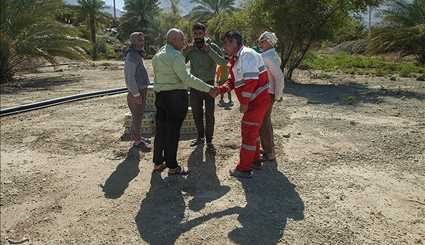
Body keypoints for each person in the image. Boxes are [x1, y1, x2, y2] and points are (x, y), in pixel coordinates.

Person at [152, 28, 217, 175]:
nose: (185, 42)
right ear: (174, 40)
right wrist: (208, 88)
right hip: (175, 97)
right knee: (173, 132)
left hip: (160, 97)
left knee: (161, 130)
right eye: (182, 39)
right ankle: (173, 166)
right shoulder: (176, 56)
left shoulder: (158, 54)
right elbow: (187, 79)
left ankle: (158, 162)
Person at [213, 31, 272, 178]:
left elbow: (251, 81)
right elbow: (233, 81)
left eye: (226, 43)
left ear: (234, 42)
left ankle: (244, 168)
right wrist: (221, 89)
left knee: (248, 132)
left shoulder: (247, 55)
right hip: (255, 101)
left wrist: (244, 102)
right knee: (252, 131)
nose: (224, 47)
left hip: (257, 101)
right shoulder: (236, 59)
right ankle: (255, 160)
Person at [183, 23, 227, 151]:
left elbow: (223, 62)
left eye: (200, 33)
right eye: (195, 34)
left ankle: (209, 141)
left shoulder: (212, 46)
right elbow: (180, 62)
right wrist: (185, 51)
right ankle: (200, 137)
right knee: (196, 113)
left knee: (209, 114)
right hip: (195, 86)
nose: (197, 36)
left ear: (205, 33)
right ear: (193, 34)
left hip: (209, 86)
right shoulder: (190, 48)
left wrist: (210, 51)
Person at [257, 31, 285, 163]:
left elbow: (279, 77)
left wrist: (278, 95)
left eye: (262, 41)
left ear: (269, 41)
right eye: (260, 41)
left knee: (264, 123)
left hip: (268, 92)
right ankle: (268, 149)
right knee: (264, 121)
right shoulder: (269, 55)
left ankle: (270, 152)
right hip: (268, 92)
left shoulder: (268, 57)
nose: (260, 44)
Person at [124, 32, 151, 151]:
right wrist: (136, 94)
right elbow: (129, 77)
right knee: (136, 116)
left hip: (140, 90)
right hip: (137, 91)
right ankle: (136, 141)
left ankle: (138, 137)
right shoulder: (132, 56)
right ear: (133, 42)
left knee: (139, 115)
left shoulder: (137, 54)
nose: (142, 42)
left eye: (142, 39)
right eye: (139, 40)